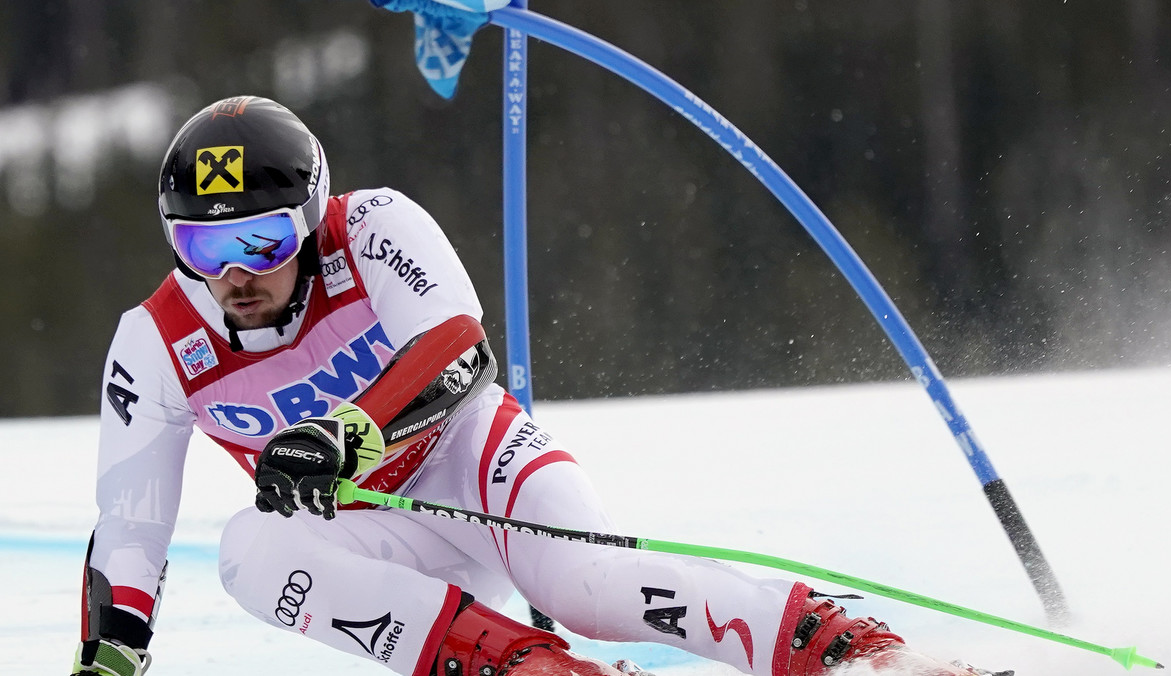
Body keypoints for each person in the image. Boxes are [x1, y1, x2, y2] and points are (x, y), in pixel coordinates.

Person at [70, 95, 992, 676]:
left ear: (311, 223)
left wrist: (353, 429)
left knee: (587, 584)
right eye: (202, 246)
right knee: (246, 551)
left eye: (262, 239)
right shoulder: (155, 342)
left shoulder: (377, 228)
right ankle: (525, 670)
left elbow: (462, 353)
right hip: (383, 537)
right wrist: (111, 654)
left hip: (476, 469)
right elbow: (131, 525)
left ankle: (849, 652)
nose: (235, 273)